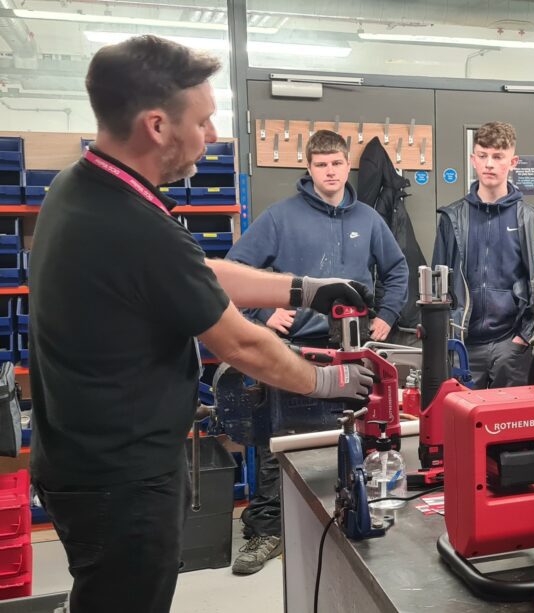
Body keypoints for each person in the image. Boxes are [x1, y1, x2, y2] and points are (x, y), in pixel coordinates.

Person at [28, 35, 374, 612]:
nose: (211, 136)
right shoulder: (133, 224)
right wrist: (327, 381)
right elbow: (241, 344)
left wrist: (304, 289)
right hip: (122, 478)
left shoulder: (82, 186)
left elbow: (195, 271)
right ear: (157, 125)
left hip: (83, 456)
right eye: (204, 121)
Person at [223, 129, 408, 575]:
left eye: (337, 163)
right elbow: (234, 269)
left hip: (351, 352)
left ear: (347, 166)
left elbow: (397, 269)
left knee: (355, 439)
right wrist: (263, 313)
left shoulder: (368, 218)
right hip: (294, 353)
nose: (330, 172)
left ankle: (347, 518)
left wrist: (385, 315)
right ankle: (268, 532)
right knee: (280, 444)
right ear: (309, 168)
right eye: (321, 164)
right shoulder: (280, 217)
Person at [433, 121, 534, 389]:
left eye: (498, 157)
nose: (489, 164)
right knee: (459, 414)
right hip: (463, 345)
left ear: (513, 162)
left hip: (511, 345)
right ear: (473, 160)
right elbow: (436, 286)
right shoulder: (452, 218)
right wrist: (446, 337)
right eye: (483, 155)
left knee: (510, 415)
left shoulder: (529, 219)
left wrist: (526, 337)